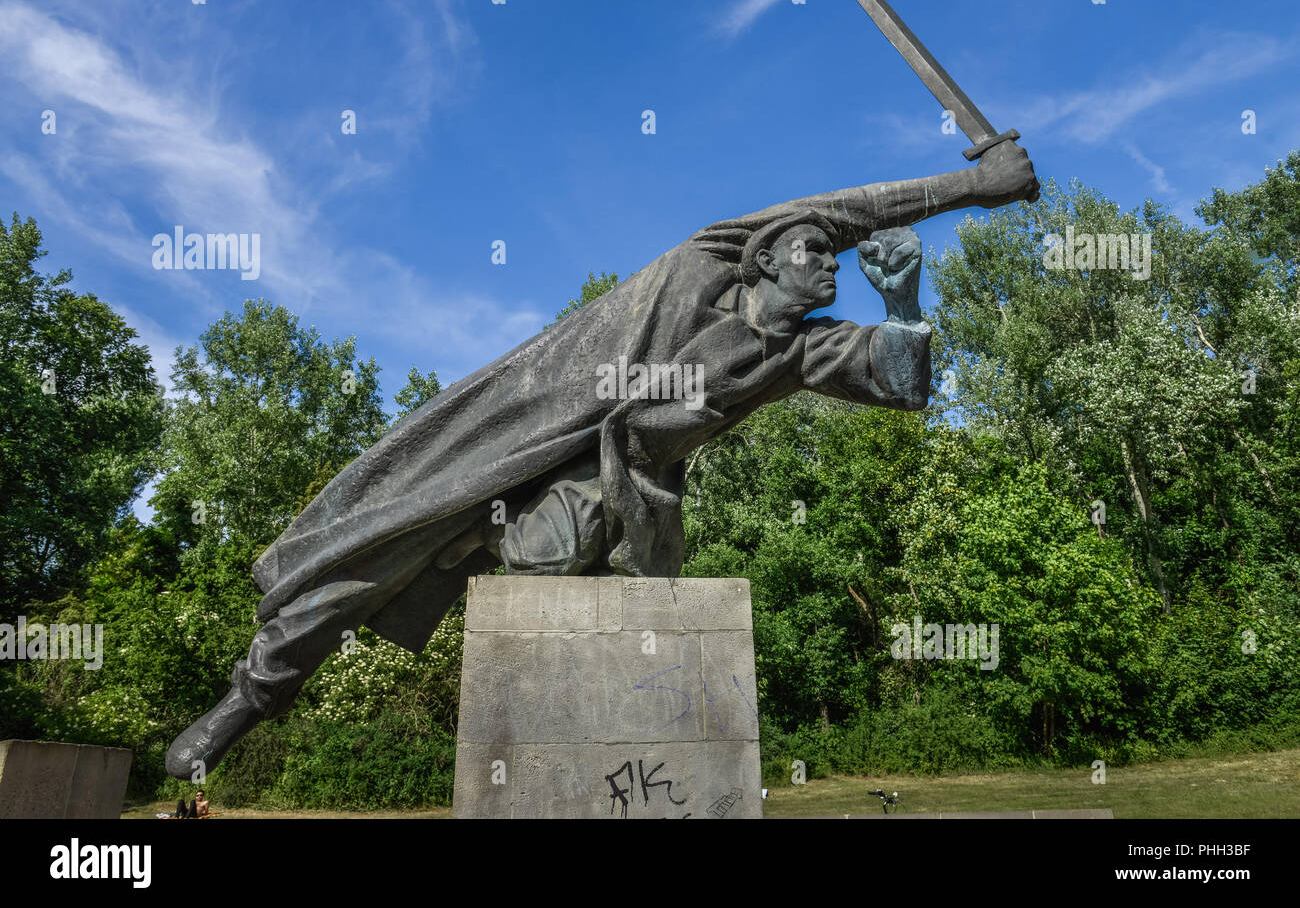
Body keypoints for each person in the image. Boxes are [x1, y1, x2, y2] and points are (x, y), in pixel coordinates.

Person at [166, 141, 1039, 780]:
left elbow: (899, 378)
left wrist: (906, 300)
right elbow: (850, 209)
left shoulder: (797, 352)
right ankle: (242, 704)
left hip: (617, 495)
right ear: (765, 254)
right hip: (518, 438)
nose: (832, 262)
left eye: (835, 259)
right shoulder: (704, 263)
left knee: (548, 558)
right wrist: (973, 187)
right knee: (379, 546)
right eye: (814, 253)